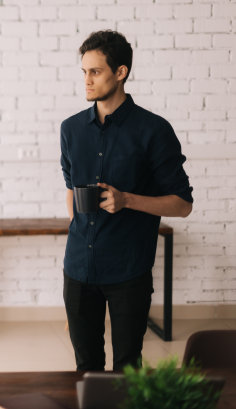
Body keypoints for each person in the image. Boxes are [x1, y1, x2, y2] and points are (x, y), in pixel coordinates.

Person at [60, 31, 193, 371]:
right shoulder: (70, 129)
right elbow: (70, 193)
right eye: (84, 72)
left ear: (120, 73)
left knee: (127, 369)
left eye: (95, 72)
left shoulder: (154, 130)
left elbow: (182, 204)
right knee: (85, 367)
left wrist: (127, 200)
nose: (87, 81)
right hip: (78, 271)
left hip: (128, 271)